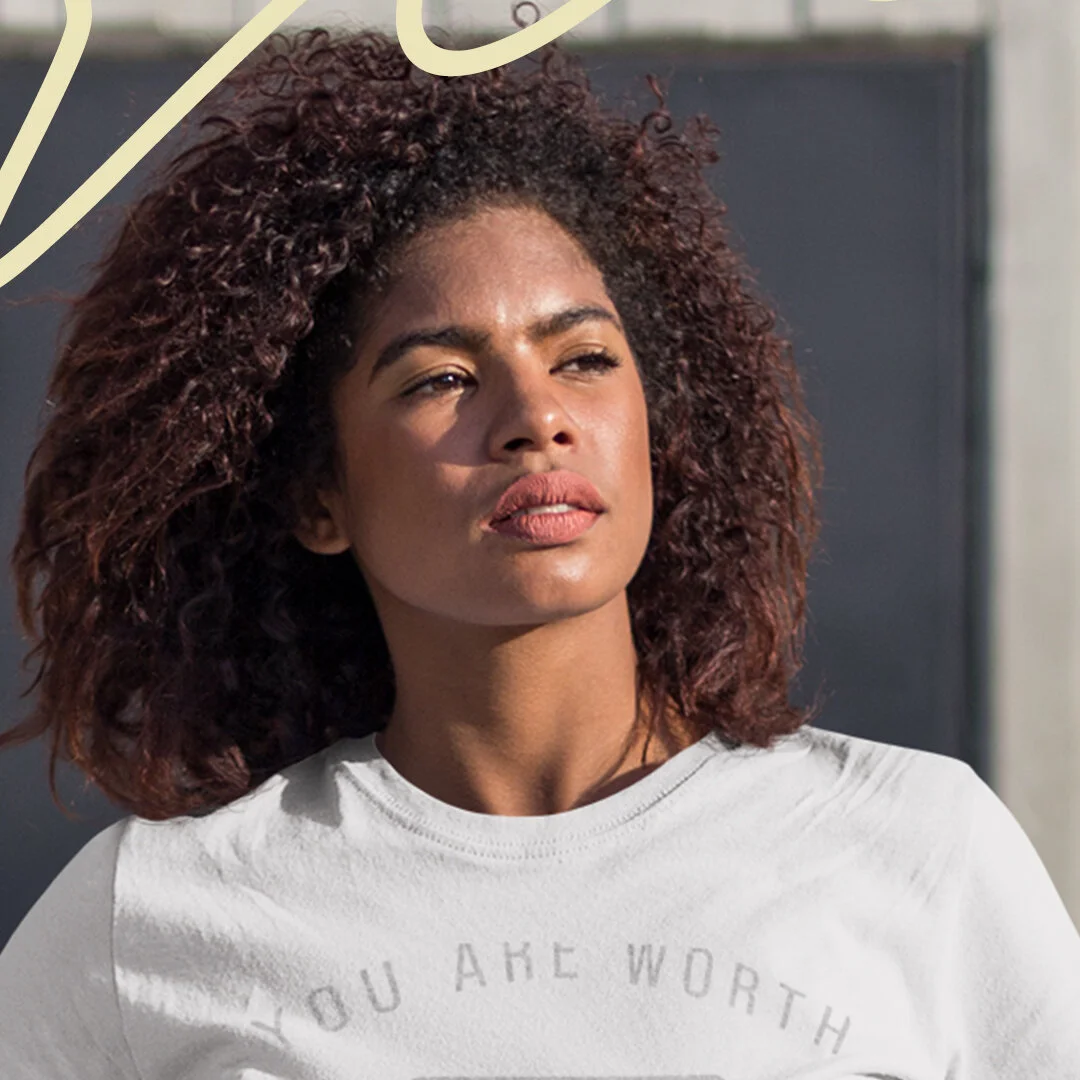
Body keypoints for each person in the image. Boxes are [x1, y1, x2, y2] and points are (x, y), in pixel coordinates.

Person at [1, 10, 1078, 1078]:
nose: (535, 416)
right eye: (442, 380)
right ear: (318, 497)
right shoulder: (153, 918)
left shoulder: (918, 852)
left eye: (584, 359)